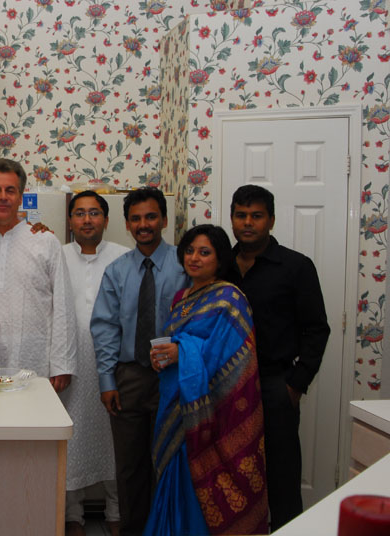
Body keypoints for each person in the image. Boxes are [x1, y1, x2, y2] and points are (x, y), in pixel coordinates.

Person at [144, 224, 268, 536]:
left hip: (214, 410)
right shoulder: (181, 297)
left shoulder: (230, 299)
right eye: (189, 251)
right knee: (175, 476)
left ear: (220, 258)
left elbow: (226, 355)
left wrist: (182, 352)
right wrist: (164, 357)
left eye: (204, 252)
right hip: (177, 404)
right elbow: (178, 343)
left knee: (203, 482)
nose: (194, 258)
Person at [225, 185, 330, 530]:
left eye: (256, 216)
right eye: (241, 215)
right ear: (232, 219)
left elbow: (317, 329)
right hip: (226, 388)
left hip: (274, 385)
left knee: (282, 477)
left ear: (271, 220)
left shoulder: (295, 266)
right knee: (232, 472)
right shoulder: (221, 265)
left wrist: (295, 384)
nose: (248, 223)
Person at [90, 187, 188, 534]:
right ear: (128, 224)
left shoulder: (185, 265)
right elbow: (105, 328)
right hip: (129, 377)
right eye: (136, 219)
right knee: (130, 467)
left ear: (164, 219)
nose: (143, 224)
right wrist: (107, 381)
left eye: (150, 217)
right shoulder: (117, 271)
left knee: (169, 461)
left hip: (173, 377)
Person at [0, 158, 77, 391]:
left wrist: (62, 365)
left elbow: (63, 306)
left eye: (10, 190)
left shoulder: (45, 241)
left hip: (35, 364)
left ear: (20, 196)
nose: (3, 197)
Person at [61, 191, 128, 536]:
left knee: (116, 439)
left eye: (94, 213)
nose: (87, 220)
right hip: (69, 364)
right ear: (70, 221)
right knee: (70, 437)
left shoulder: (124, 257)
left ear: (106, 219)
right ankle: (72, 514)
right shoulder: (58, 256)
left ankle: (117, 512)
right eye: (79, 213)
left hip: (112, 365)